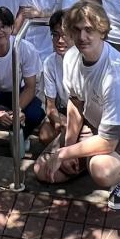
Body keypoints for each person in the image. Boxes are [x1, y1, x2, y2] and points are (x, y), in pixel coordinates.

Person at [34, 2, 120, 211]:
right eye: (77, 30)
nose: (82, 37)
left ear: (102, 31)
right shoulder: (72, 57)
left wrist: (64, 154)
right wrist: (68, 145)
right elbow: (75, 103)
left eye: (89, 30)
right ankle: (85, 158)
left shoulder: (118, 77)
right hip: (95, 124)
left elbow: (109, 143)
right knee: (42, 171)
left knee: (101, 170)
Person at [0, 7, 45, 150]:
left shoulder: (25, 48)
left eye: (3, 26)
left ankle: (21, 134)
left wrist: (17, 110)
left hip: (15, 91)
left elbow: (30, 87)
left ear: (12, 27)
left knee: (35, 112)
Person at [38, 10, 72, 147]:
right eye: (55, 35)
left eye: (64, 35)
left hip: (87, 114)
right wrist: (58, 121)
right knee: (45, 135)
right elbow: (50, 105)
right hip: (63, 111)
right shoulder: (50, 62)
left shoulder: (83, 60)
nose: (60, 40)